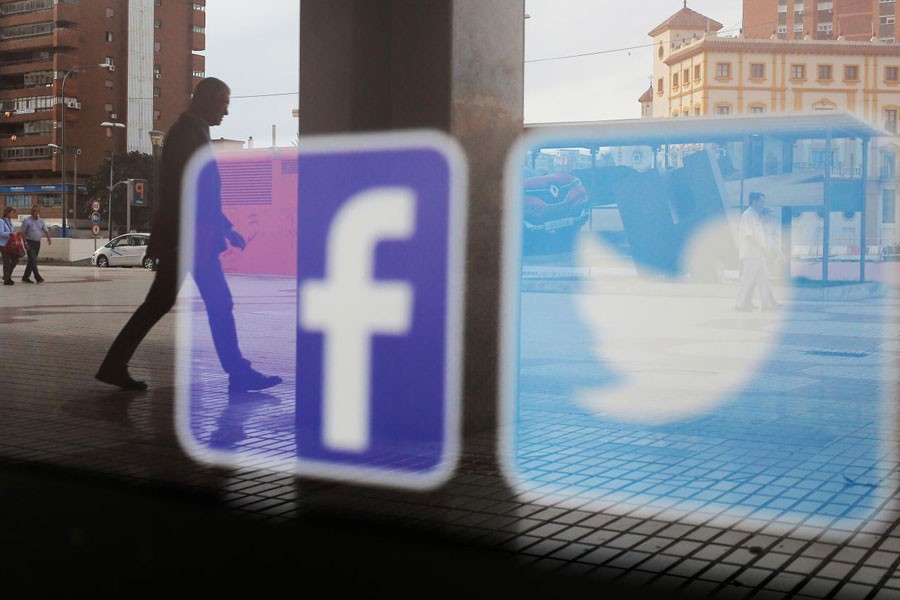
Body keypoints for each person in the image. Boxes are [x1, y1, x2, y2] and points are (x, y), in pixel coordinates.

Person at [96, 77, 282, 393]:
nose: (226, 110)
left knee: (161, 303)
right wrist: (187, 235)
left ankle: (114, 365)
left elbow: (199, 193)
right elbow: (185, 192)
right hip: (189, 238)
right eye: (224, 102)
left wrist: (226, 227)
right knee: (215, 302)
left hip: (190, 237)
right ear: (206, 100)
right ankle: (238, 372)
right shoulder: (187, 136)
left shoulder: (193, 134)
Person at [735, 192, 781, 312]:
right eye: (761, 201)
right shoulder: (747, 216)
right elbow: (749, 236)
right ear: (754, 201)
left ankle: (766, 304)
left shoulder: (755, 215)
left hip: (759, 255)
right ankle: (740, 305)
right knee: (747, 280)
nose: (763, 204)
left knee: (764, 279)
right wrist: (761, 247)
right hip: (751, 254)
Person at [19, 205, 51, 284]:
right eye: (32, 211)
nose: (33, 212)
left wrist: (49, 238)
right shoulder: (27, 220)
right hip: (29, 242)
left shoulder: (41, 221)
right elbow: (22, 232)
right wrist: (25, 242)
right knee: (33, 259)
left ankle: (25, 277)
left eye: (35, 211)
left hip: (37, 243)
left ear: (38, 212)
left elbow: (46, 230)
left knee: (31, 261)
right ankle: (38, 277)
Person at [0, 206, 21, 286]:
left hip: (10, 244)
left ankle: (7, 276)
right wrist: (10, 234)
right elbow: (1, 233)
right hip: (3, 244)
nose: (13, 214)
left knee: (15, 260)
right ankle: (7, 279)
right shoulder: (1, 222)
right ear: (7, 213)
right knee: (7, 262)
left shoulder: (10, 222)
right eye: (12, 213)